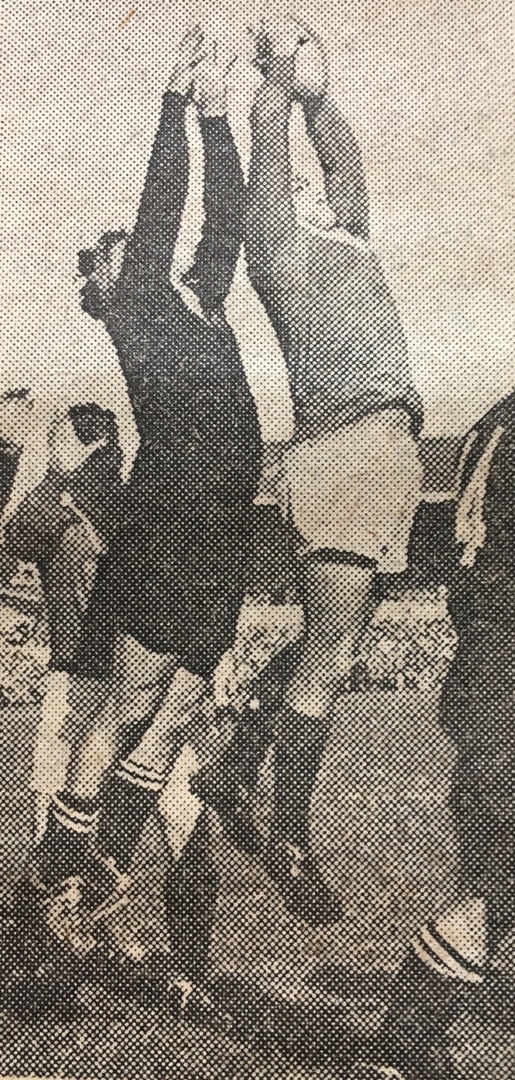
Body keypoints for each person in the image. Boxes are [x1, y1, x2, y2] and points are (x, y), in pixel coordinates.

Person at [27, 29, 262, 969]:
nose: (134, 245)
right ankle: (56, 883)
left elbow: (227, 220)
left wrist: (217, 116)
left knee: (170, 710)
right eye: (118, 249)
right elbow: (164, 205)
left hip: (220, 525)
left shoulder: (196, 299)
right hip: (168, 516)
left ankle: (86, 884)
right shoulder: (136, 309)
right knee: (127, 706)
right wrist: (175, 103)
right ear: (107, 284)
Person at [241, 19, 424, 924]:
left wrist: (322, 90)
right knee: (329, 654)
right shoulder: (278, 248)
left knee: (334, 651)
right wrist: (276, 79)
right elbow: (271, 147)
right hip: (345, 452)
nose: (317, 184)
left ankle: (241, 762)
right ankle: (281, 828)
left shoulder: (346, 236)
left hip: (384, 452)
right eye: (301, 185)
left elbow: (339, 153)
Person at [350, 390, 515, 1078]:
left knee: (494, 889)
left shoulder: (493, 420)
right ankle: (399, 1052)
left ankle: (406, 1051)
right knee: (492, 891)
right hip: (505, 671)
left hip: (484, 670)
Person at [3, 404, 124, 830]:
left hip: (77, 658)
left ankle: (55, 870)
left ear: (94, 443)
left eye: (60, 438)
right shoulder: (114, 495)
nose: (52, 446)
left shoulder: (75, 498)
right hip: (107, 656)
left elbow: (16, 539)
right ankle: (187, 866)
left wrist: (55, 477)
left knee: (56, 767)